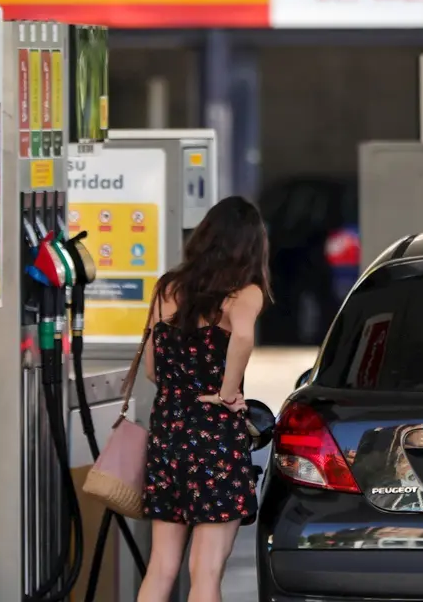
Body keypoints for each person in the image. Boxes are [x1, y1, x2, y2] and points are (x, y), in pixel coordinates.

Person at [137, 195, 272, 602]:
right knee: (206, 571)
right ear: (251, 246)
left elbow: (150, 370)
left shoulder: (167, 288)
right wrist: (229, 393)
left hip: (168, 431)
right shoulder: (243, 293)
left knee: (161, 566)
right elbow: (243, 337)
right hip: (214, 436)